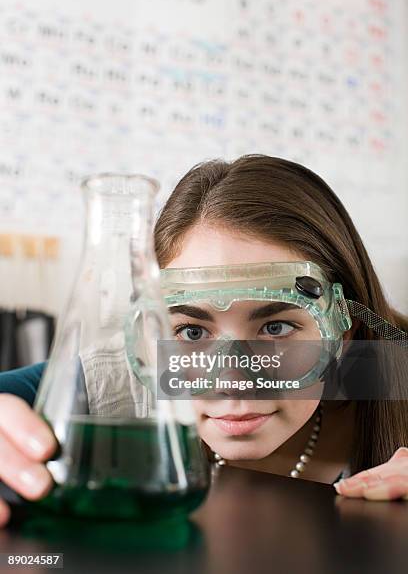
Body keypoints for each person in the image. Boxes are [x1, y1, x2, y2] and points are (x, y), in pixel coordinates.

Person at [0, 155, 407, 528]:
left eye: (276, 328)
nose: (232, 380)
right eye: (192, 332)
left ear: (342, 332)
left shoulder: (391, 371)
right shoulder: (134, 372)